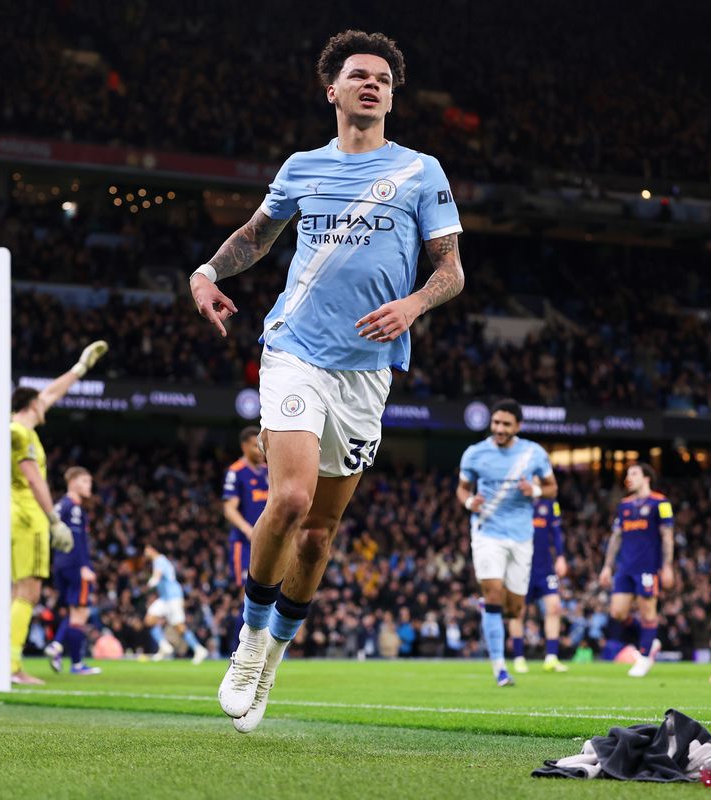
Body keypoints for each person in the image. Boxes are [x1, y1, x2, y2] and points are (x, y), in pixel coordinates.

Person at [189, 30, 465, 733]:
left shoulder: (421, 172)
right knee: (288, 498)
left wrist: (414, 303)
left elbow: (451, 270)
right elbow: (256, 234)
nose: (371, 84)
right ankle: (250, 641)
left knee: (318, 535)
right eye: (358, 76)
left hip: (367, 373)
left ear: (392, 96)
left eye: (383, 79)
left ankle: (274, 659)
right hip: (294, 349)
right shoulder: (303, 167)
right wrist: (207, 274)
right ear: (333, 90)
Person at [8, 341, 107, 686]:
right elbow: (34, 478)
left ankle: (7, 661)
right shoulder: (22, 436)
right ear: (32, 404)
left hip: (13, 515)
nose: (47, 402)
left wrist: (80, 368)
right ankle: (12, 667)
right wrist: (53, 519)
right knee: (27, 593)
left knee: (18, 592)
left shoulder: (20, 426)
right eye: (41, 401)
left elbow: (51, 392)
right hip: (27, 516)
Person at [457, 399, 558, 686]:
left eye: (506, 424)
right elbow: (462, 489)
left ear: (518, 426)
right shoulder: (475, 454)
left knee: (514, 608)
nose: (499, 429)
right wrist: (469, 502)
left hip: (521, 536)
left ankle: (491, 607)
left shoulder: (533, 453)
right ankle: (500, 668)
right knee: (492, 595)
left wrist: (535, 489)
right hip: (487, 532)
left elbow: (552, 488)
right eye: (496, 423)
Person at [598, 463, 674, 678]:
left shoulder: (660, 503)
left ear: (646, 478)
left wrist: (667, 566)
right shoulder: (624, 505)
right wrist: (606, 567)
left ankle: (644, 656)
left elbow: (667, 535)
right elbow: (616, 538)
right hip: (625, 568)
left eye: (634, 473)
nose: (628, 477)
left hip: (647, 567)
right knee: (617, 613)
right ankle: (651, 641)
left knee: (648, 611)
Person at [44, 466, 101, 676]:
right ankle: (65, 652)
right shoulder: (75, 508)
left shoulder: (60, 506)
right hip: (75, 566)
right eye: (86, 481)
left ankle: (61, 650)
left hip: (60, 564)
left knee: (74, 611)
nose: (89, 486)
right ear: (74, 482)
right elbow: (78, 542)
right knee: (81, 613)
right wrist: (84, 566)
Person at [508, 498, 568, 673]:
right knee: (518, 611)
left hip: (544, 568)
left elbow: (556, 532)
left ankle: (551, 657)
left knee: (554, 607)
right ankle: (519, 657)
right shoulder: (515, 502)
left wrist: (561, 557)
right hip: (520, 566)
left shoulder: (549, 504)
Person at [222, 426, 268, 654]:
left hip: (269, 544)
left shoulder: (269, 472)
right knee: (247, 595)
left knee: (270, 593)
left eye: (260, 445)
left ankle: (261, 649)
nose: (259, 450)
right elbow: (229, 509)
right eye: (254, 445)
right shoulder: (236, 471)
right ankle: (239, 650)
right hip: (245, 543)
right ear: (244, 446)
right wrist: (248, 530)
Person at [142, 542, 209, 665]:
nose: (145, 552)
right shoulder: (159, 561)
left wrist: (149, 584)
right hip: (165, 598)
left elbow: (157, 577)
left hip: (173, 598)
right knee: (149, 620)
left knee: (179, 626)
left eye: (146, 549)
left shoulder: (160, 560)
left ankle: (199, 649)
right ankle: (164, 647)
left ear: (152, 549)